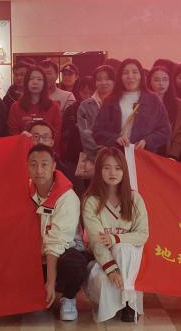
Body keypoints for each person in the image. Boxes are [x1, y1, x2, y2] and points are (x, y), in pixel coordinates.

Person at [82, 146, 148, 323]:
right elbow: (96, 241)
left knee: (123, 249)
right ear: (99, 170)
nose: (113, 173)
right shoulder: (91, 200)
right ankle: (120, 302)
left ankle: (129, 304)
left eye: (118, 168)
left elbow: (142, 235)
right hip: (101, 262)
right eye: (107, 168)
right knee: (105, 281)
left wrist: (116, 238)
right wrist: (112, 269)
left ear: (124, 171)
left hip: (130, 263)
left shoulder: (134, 199)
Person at [28, 143, 86, 322]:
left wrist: (50, 282)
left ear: (54, 166)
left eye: (44, 164)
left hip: (61, 256)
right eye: (33, 165)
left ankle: (68, 298)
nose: (39, 170)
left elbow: (56, 243)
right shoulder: (23, 190)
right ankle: (32, 294)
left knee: (75, 263)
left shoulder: (67, 198)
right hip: (34, 257)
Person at [93, 59, 171, 155]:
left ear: (141, 75)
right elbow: (97, 131)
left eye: (135, 72)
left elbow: (165, 131)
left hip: (144, 155)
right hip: (116, 156)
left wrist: (146, 141)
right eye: (125, 73)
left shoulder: (153, 100)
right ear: (120, 77)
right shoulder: (110, 101)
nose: (130, 76)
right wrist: (115, 138)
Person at [77, 65, 114, 185]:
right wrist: (101, 154)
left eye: (107, 78)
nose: (103, 82)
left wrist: (113, 152)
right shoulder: (85, 105)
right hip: (94, 159)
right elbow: (85, 133)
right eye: (99, 79)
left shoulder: (121, 103)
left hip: (117, 159)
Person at [7, 66, 63, 143]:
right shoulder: (15, 107)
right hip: (23, 147)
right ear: (26, 82)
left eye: (39, 79)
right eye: (31, 79)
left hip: (47, 149)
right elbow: (13, 133)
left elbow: (56, 134)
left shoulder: (54, 107)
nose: (35, 82)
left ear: (44, 83)